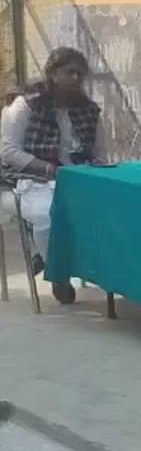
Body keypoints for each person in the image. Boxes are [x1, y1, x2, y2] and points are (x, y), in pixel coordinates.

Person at [0, 47, 105, 305]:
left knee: (107, 210)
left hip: (78, 178)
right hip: (30, 179)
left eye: (81, 74)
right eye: (70, 72)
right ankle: (58, 274)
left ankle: (68, 261)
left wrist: (92, 174)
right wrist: (48, 169)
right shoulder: (27, 104)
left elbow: (100, 154)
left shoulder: (88, 110)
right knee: (51, 212)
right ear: (53, 74)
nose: (76, 79)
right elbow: (7, 149)